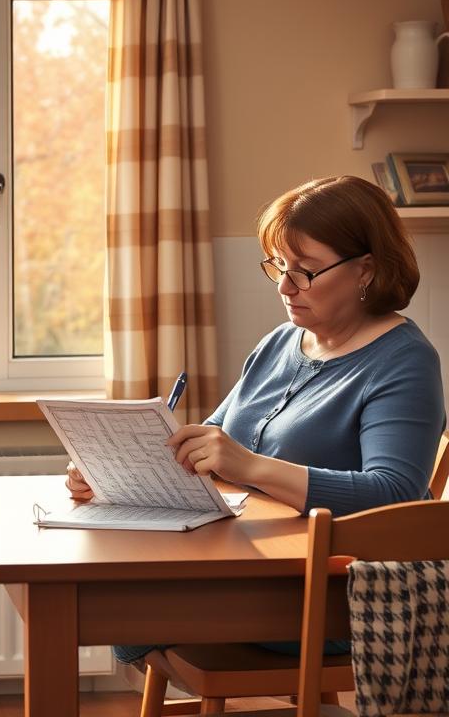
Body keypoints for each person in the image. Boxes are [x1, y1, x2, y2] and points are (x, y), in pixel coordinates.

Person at [66, 175, 446, 665]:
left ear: (365, 270)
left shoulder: (404, 361)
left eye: (305, 271)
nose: (286, 287)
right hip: (258, 569)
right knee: (114, 587)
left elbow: (395, 495)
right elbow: (207, 446)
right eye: (279, 267)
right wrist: (114, 474)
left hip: (338, 596)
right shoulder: (281, 341)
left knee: (115, 599)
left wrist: (250, 466)